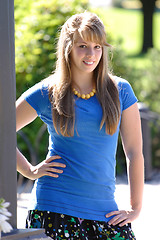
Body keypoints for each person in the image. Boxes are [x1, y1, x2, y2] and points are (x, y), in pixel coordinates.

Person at [16, 11, 144, 240]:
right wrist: (29, 170)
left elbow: (134, 153)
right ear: (68, 48)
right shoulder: (48, 91)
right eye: (82, 46)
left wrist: (135, 208)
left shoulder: (120, 90)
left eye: (97, 46)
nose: (91, 54)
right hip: (53, 209)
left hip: (106, 212)